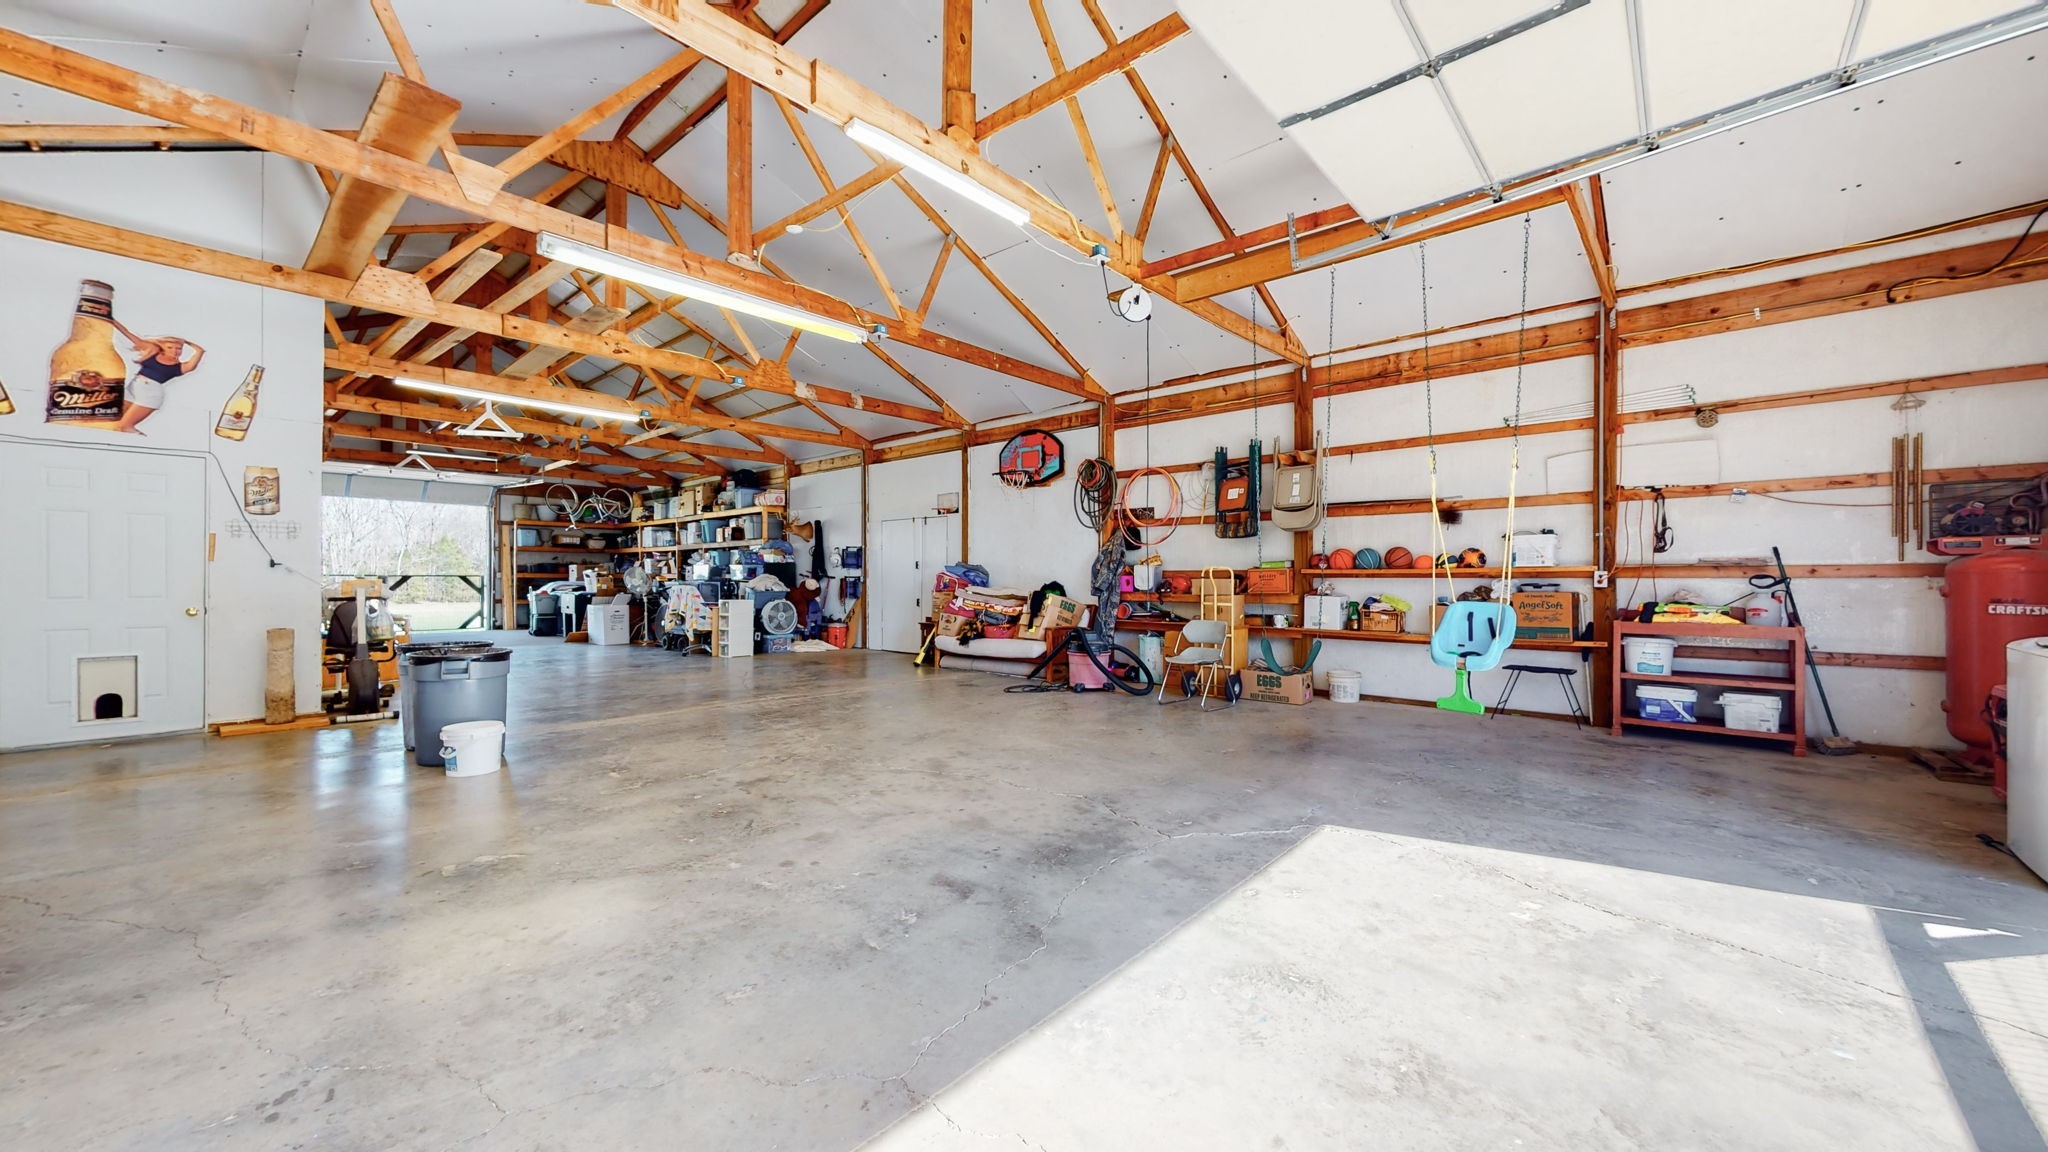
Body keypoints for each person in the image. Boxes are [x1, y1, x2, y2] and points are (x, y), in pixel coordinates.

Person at [111, 320, 203, 433]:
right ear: (163, 347)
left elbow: (199, 351)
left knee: (126, 426)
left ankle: (145, 444)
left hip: (151, 393)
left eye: (178, 348)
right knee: (112, 422)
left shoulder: (180, 367)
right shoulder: (152, 351)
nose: (175, 351)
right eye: (170, 347)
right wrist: (112, 320)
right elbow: (128, 334)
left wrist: (188, 342)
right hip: (134, 387)